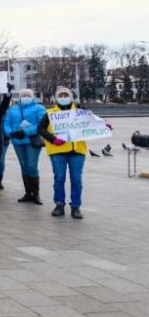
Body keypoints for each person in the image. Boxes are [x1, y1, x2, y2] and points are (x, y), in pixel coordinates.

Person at [38, 87, 101, 219]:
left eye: (65, 95)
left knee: (76, 180)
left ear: (71, 97)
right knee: (59, 178)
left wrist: (104, 125)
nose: (63, 98)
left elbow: (93, 122)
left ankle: (75, 207)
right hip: (57, 151)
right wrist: (53, 139)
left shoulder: (79, 111)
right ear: (56, 98)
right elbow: (40, 129)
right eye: (60, 96)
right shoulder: (50, 113)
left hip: (77, 150)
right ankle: (59, 204)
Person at [3, 88, 47, 204]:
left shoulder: (39, 108)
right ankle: (28, 192)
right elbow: (6, 123)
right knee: (23, 166)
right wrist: (11, 133)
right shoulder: (13, 109)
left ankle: (36, 193)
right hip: (17, 142)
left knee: (31, 165)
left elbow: (42, 124)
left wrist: (25, 132)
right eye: (23, 95)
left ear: (32, 97)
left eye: (28, 95)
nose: (25, 97)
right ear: (20, 97)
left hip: (31, 141)